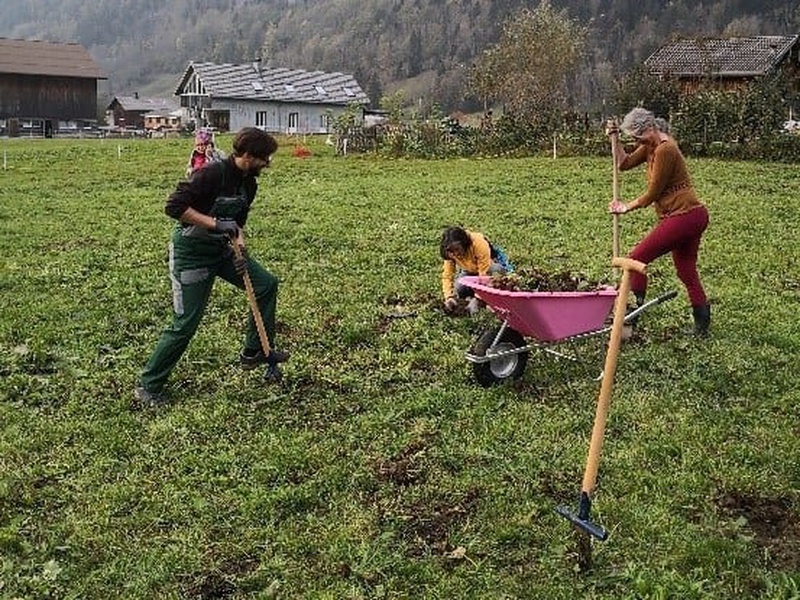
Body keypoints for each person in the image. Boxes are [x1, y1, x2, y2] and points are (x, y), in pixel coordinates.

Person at [135, 127, 289, 407]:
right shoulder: (210, 174)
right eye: (264, 158)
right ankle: (149, 385)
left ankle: (254, 351)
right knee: (186, 323)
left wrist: (240, 247)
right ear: (247, 155)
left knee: (266, 284)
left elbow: (237, 224)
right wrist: (215, 224)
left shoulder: (248, 184)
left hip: (223, 251)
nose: (268, 163)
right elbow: (174, 207)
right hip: (192, 254)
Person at [607, 107, 711, 336]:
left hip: (685, 215)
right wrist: (614, 139)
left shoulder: (666, 149)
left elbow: (654, 192)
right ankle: (702, 325)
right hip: (689, 215)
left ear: (649, 129)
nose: (635, 141)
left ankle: (632, 314)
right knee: (686, 271)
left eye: (637, 136)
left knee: (636, 258)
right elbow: (623, 164)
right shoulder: (650, 146)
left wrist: (626, 206)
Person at [440, 226, 512, 315]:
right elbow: (448, 275)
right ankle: (473, 297)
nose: (456, 254)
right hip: (470, 271)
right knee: (459, 287)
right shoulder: (449, 253)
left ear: (463, 243)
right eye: (452, 252)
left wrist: (478, 299)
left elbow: (484, 274)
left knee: (496, 270)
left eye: (457, 249)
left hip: (489, 268)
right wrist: (449, 297)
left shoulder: (478, 243)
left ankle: (489, 299)